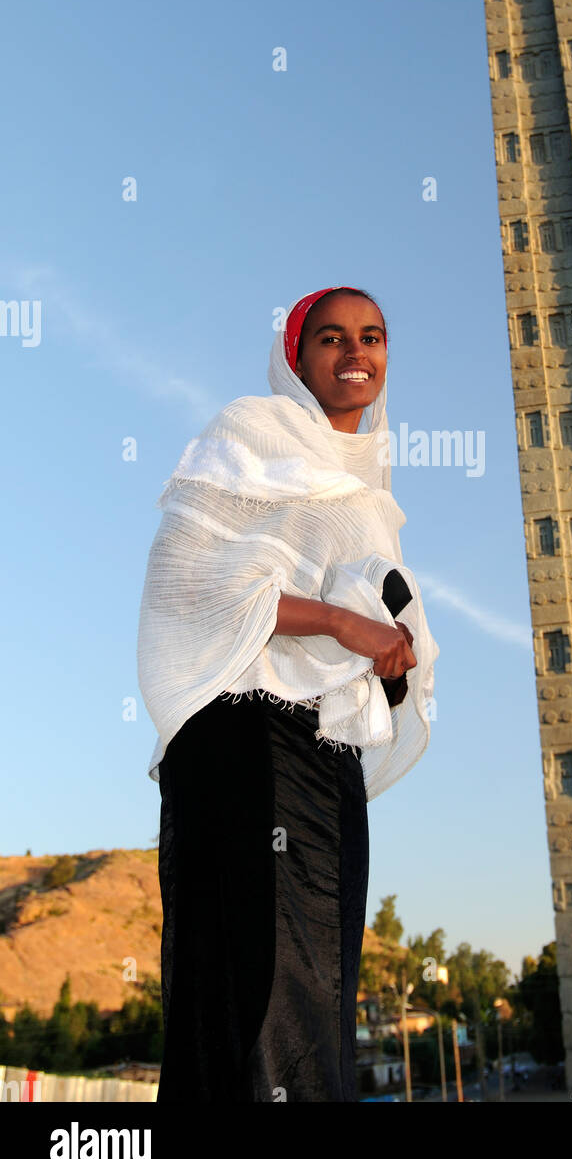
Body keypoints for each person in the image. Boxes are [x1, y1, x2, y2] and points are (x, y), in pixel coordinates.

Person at [136, 286, 439, 1102]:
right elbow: (188, 582)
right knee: (260, 994)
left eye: (371, 337)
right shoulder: (253, 435)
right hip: (244, 744)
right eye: (331, 337)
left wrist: (395, 653)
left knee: (320, 991)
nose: (355, 353)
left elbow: (378, 623)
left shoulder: (369, 490)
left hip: (324, 760)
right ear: (296, 359)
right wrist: (342, 623)